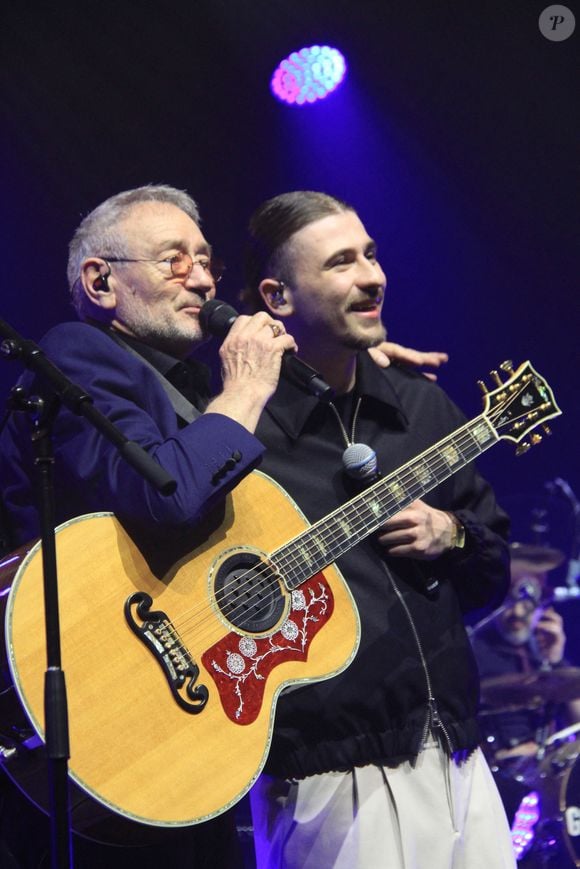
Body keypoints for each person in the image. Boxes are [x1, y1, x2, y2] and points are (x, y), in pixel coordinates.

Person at [0, 184, 446, 868]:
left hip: (171, 732)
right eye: (174, 260)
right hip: (87, 706)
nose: (203, 278)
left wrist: (348, 367)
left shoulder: (176, 384)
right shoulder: (76, 354)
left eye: (206, 259)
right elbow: (169, 494)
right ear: (101, 280)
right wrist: (243, 389)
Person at [240, 190, 515, 868]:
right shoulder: (239, 431)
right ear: (278, 297)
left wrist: (452, 533)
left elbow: (493, 572)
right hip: (329, 777)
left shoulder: (421, 406)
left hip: (455, 754)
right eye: (341, 262)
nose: (372, 275)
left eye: (371, 254)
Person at [471, 542, 580, 822]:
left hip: (548, 772)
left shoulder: (543, 648)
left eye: (527, 603)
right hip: (498, 775)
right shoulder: (475, 650)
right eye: (509, 601)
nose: (518, 613)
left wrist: (556, 660)